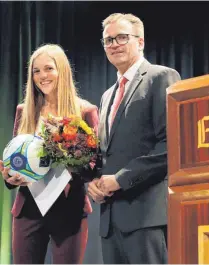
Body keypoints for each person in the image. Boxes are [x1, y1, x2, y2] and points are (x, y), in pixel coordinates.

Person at [87, 13, 181, 264]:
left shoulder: (161, 77)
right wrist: (94, 182)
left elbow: (171, 144)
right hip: (110, 221)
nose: (114, 44)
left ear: (140, 42)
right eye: (108, 40)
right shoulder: (107, 95)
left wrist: (120, 179)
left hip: (146, 216)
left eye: (122, 37)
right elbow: (108, 153)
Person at [0, 44, 99, 264]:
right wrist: (9, 177)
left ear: (61, 70)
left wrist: (69, 156)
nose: (42, 76)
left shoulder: (85, 111)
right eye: (36, 71)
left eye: (48, 68)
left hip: (69, 209)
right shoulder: (23, 111)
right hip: (28, 210)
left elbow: (95, 166)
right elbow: (14, 161)